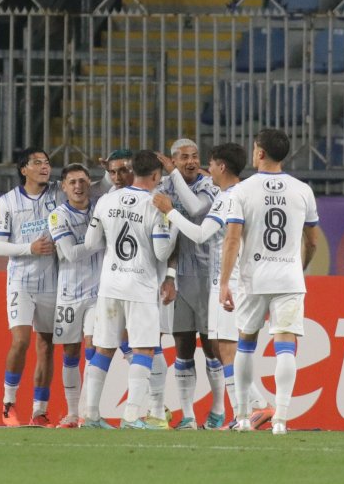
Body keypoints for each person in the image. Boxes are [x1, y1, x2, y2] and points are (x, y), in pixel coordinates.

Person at [154, 143, 274, 430]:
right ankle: (245, 412)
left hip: (228, 280)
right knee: (227, 348)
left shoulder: (226, 198)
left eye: (208, 162)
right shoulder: (250, 193)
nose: (207, 169)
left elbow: (199, 234)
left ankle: (255, 408)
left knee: (226, 349)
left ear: (221, 166)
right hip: (249, 278)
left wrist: (170, 212)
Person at [0, 148, 112, 428]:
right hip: (21, 281)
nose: (44, 167)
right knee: (20, 341)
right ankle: (8, 404)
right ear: (24, 169)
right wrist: (29, 248)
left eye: (46, 162)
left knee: (46, 347)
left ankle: (39, 411)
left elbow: (97, 188)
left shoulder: (60, 191)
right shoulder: (7, 202)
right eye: (37, 163)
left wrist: (108, 170)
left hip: (54, 283)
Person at [219, 128, 320, 435]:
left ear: (260, 152)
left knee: (246, 344)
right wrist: (297, 267)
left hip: (253, 279)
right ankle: (281, 419)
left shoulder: (242, 191)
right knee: (285, 346)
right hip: (289, 277)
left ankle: (243, 417)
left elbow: (233, 239)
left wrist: (224, 282)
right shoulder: (302, 190)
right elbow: (312, 241)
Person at [81, 150, 177, 430]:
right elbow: (161, 252)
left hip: (110, 285)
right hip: (140, 286)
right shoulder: (156, 205)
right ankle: (132, 416)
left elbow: (90, 243)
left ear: (133, 171)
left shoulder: (107, 200)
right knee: (144, 349)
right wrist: (171, 227)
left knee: (104, 349)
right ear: (157, 176)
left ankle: (91, 415)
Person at [155, 138, 226, 430]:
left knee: (212, 347)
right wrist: (169, 277)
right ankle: (188, 415)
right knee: (183, 346)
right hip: (180, 277)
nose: (191, 161)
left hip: (209, 275)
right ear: (174, 158)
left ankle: (219, 410)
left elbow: (196, 210)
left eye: (194, 156)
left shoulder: (209, 187)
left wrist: (172, 173)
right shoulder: (163, 190)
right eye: (183, 157)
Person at [47, 163, 105, 429]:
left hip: (98, 293)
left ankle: (89, 412)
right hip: (69, 293)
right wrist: (96, 244)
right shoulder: (58, 216)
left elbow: (112, 183)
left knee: (93, 349)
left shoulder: (100, 207)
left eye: (83, 181)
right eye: (72, 182)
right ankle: (72, 413)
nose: (78, 187)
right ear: (63, 187)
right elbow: (69, 254)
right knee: (70, 352)